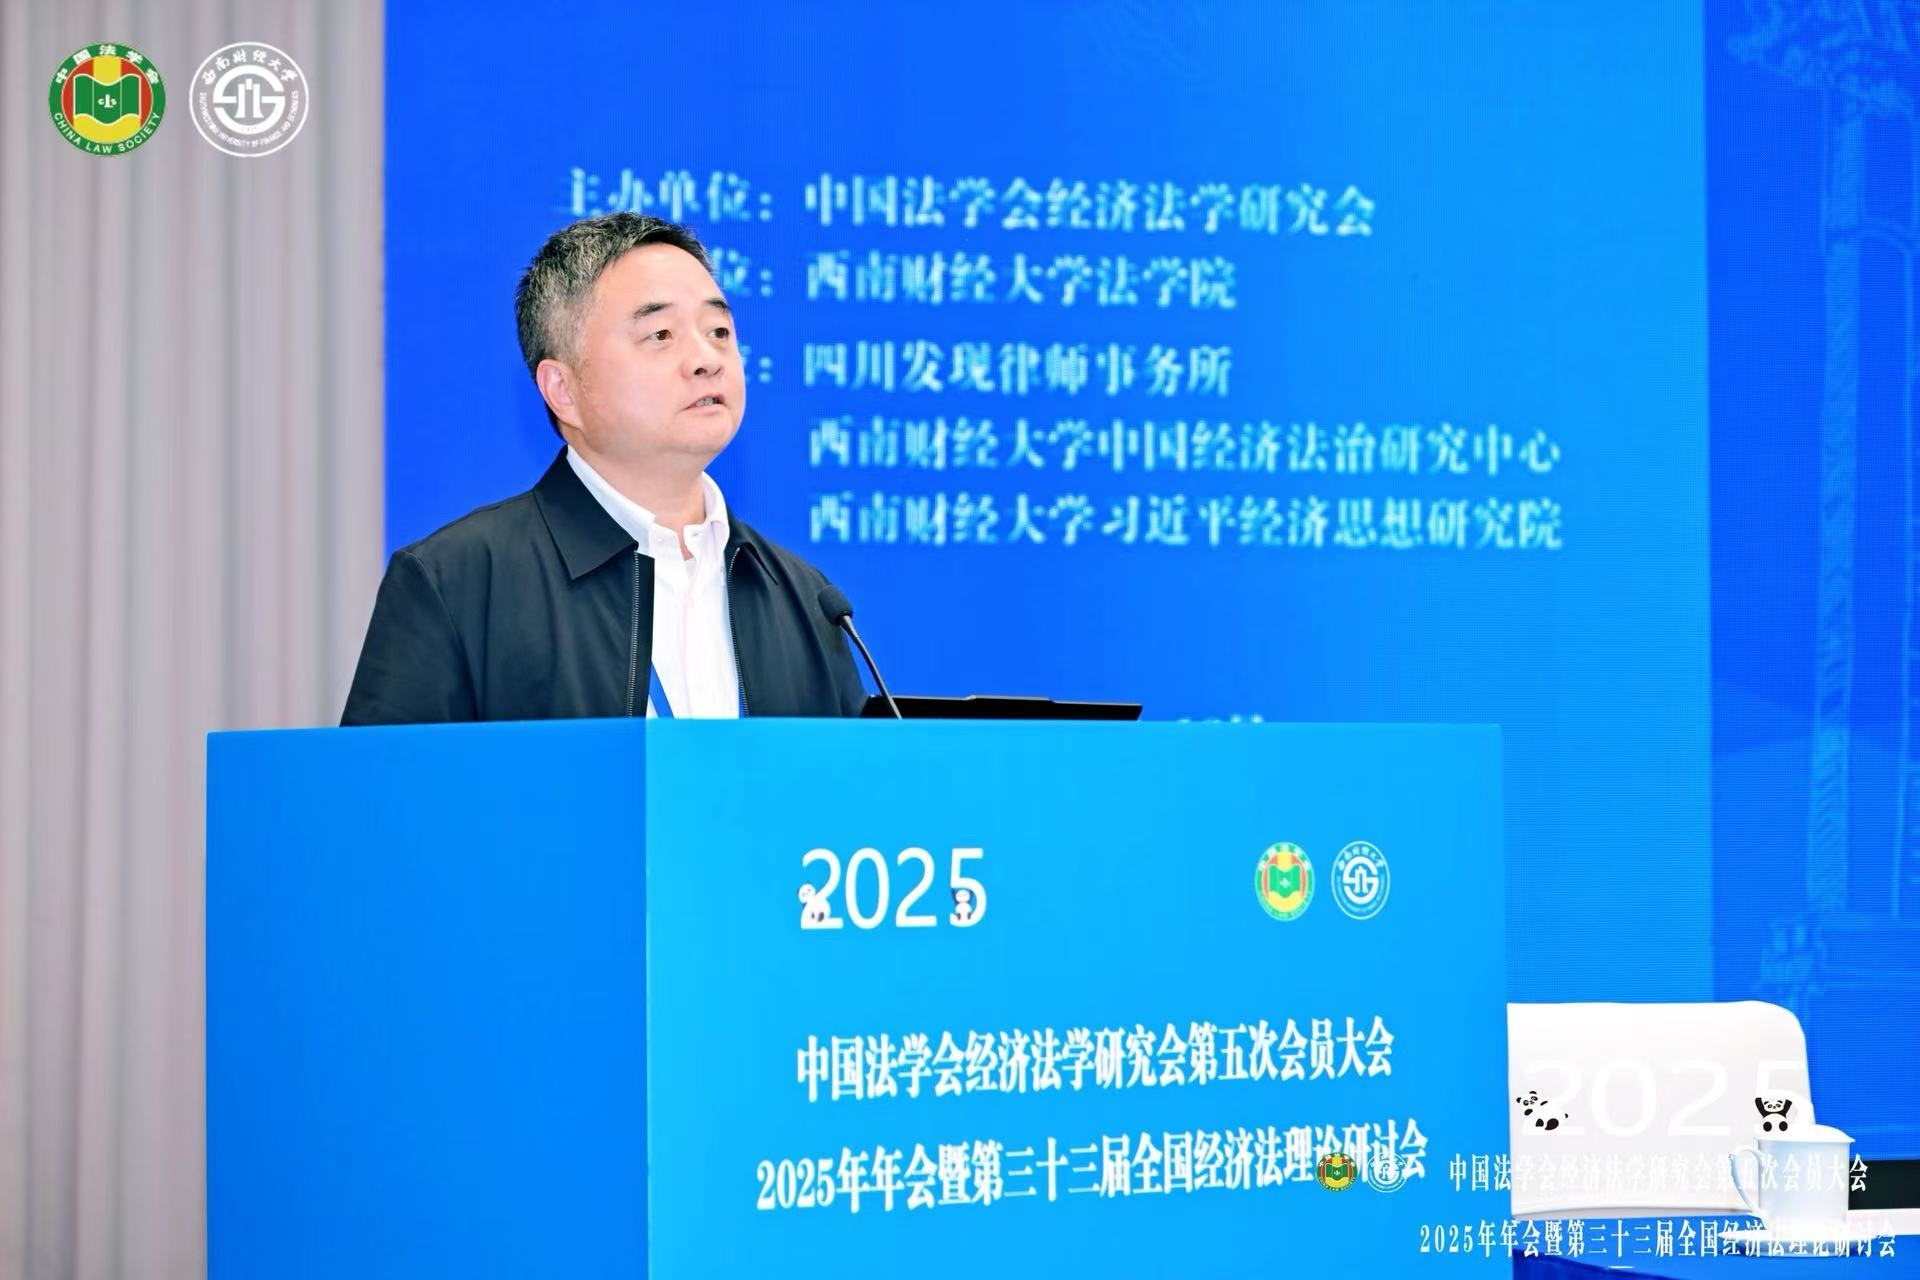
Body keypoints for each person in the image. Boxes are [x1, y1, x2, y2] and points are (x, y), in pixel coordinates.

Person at [341, 213, 867, 724]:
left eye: (719, 331)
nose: (707, 358)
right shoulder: (457, 585)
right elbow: (385, 785)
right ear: (564, 391)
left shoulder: (808, 601)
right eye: (661, 335)